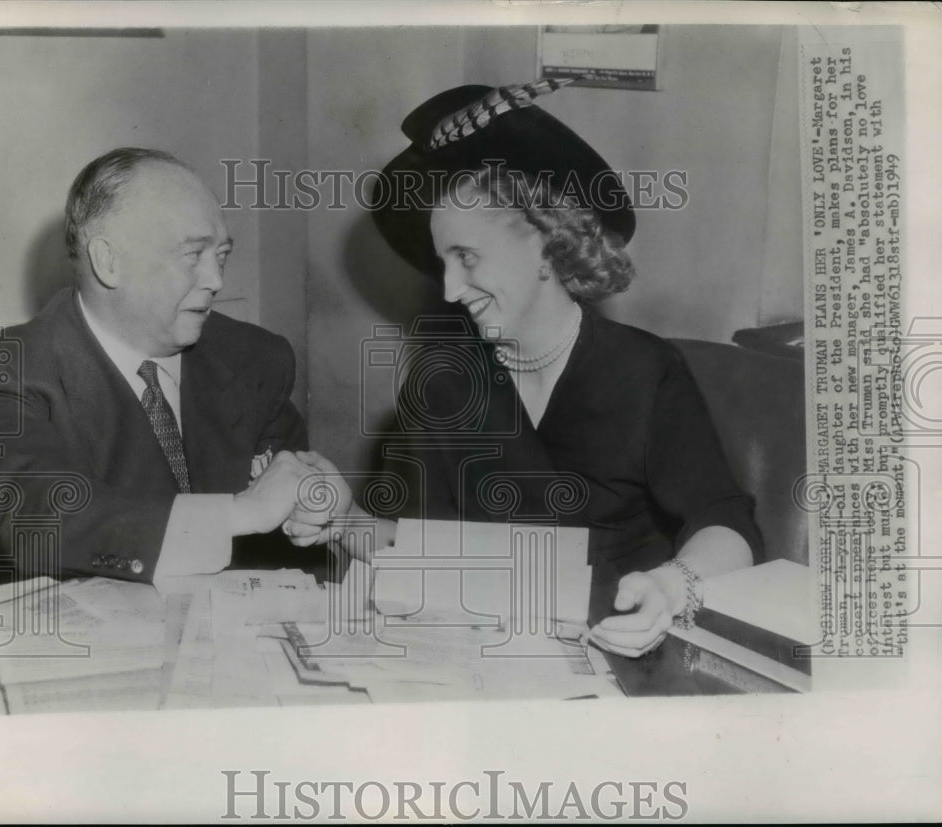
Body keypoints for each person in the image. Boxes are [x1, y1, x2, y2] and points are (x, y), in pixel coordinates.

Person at [284, 81, 764, 659]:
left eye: (466, 258)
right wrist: (341, 516)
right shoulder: (443, 385)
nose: (452, 290)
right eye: (442, 264)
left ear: (545, 242)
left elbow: (728, 527)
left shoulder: (643, 371)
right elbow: (415, 546)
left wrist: (669, 588)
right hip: (483, 656)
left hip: (622, 655)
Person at [0, 147, 321, 589]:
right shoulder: (7, 371)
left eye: (222, 255)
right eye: (193, 255)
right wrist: (241, 511)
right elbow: (37, 520)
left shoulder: (255, 358)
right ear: (108, 261)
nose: (216, 280)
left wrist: (313, 515)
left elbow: (286, 559)